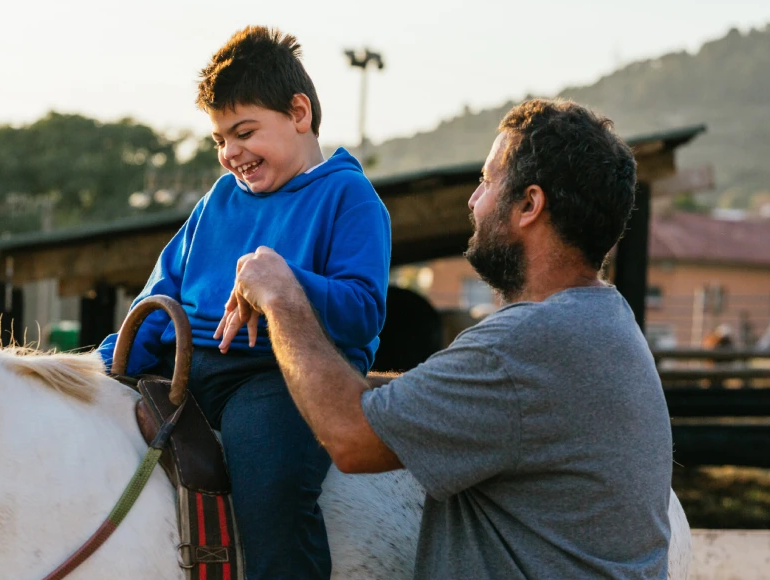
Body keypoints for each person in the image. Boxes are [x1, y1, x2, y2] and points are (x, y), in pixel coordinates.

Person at [221, 99, 674, 579]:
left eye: (486, 181)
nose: (473, 201)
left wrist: (283, 296)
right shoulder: (603, 321)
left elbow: (351, 439)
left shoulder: (526, 343)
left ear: (529, 205)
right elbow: (426, 399)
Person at [97, 26, 391, 579]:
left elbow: (362, 310)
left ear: (299, 113)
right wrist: (110, 362)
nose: (230, 152)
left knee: (271, 491)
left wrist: (283, 281)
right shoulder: (218, 200)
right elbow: (164, 288)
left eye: (244, 131)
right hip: (190, 363)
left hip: (279, 375)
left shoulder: (348, 197)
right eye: (219, 139)